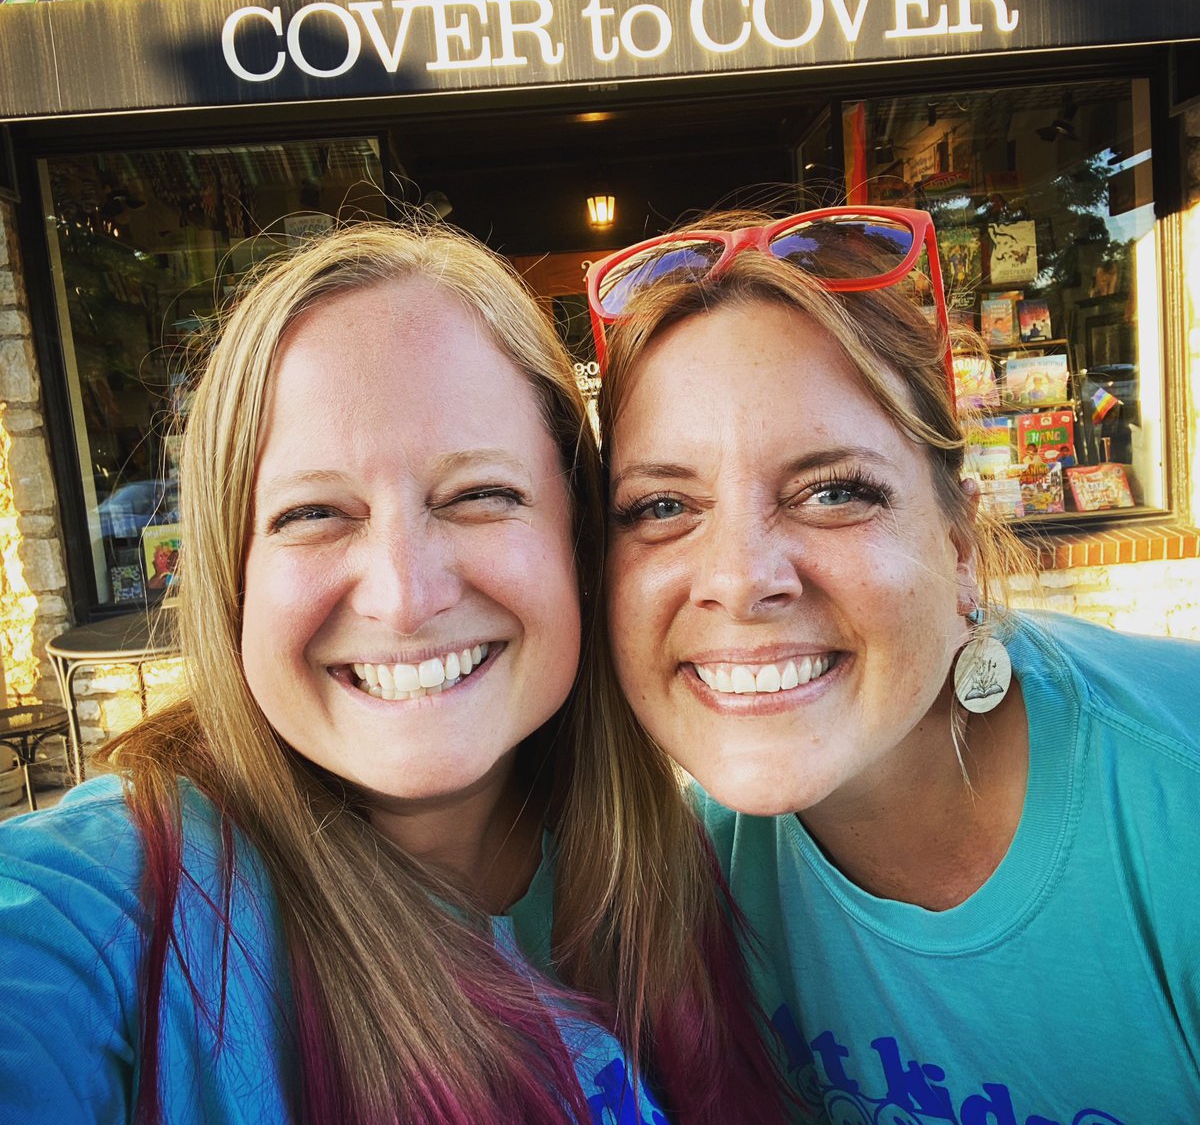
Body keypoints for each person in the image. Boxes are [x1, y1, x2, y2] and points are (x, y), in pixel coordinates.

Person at [0, 221, 790, 1125]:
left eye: (479, 496)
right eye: (315, 513)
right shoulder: (117, 908)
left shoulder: (689, 859)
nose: (406, 596)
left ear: (576, 540)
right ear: (234, 575)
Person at [589, 207, 1200, 1123]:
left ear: (960, 545)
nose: (739, 580)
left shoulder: (1174, 805)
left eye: (834, 492)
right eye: (662, 505)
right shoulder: (679, 884)